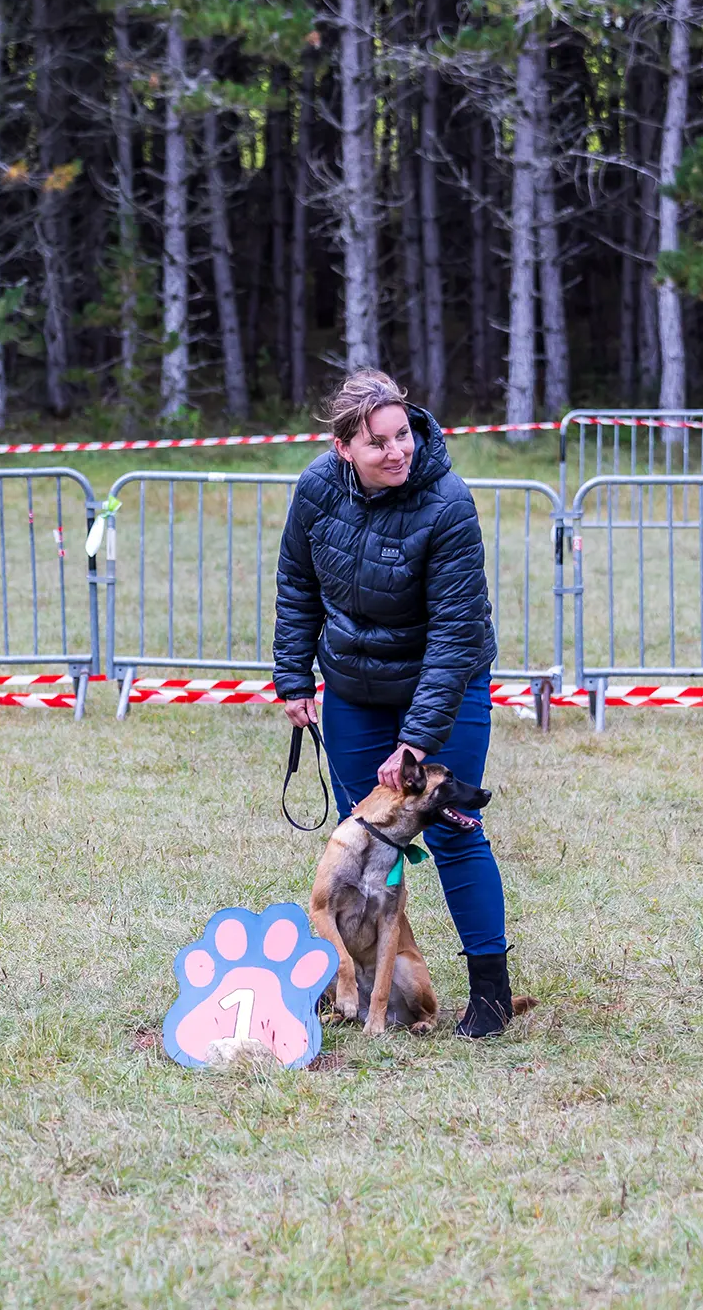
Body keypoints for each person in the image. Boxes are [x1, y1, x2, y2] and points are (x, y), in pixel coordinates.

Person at [273, 369, 520, 1037]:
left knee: (451, 830)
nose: (397, 450)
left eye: (402, 433)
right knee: (373, 846)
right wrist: (293, 678)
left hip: (446, 685)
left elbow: (453, 633)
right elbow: (297, 582)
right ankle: (370, 990)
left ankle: (491, 997)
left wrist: (416, 740)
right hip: (356, 688)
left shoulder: (447, 503)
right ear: (343, 446)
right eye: (378, 441)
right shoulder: (317, 489)